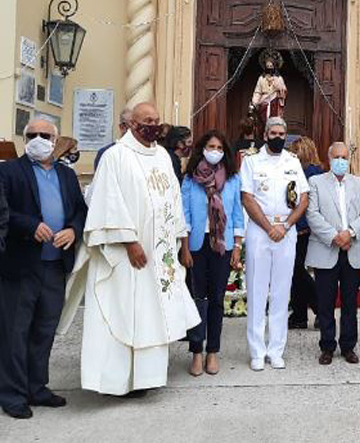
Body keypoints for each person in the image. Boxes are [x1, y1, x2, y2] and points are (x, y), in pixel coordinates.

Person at [58, 103, 199, 397]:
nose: (154, 126)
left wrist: (179, 240)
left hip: (159, 256)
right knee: (127, 312)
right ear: (132, 125)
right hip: (128, 256)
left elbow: (173, 199)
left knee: (152, 315)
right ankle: (117, 381)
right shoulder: (115, 157)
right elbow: (109, 203)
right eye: (147, 121)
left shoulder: (161, 155)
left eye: (157, 121)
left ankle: (147, 379)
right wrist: (130, 243)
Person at [0, 120, 87, 419]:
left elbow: (80, 210)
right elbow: (4, 212)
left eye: (45, 135)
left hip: (54, 265)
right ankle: (12, 394)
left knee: (44, 330)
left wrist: (74, 230)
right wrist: (30, 225)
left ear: (56, 140)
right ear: (24, 140)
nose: (39, 139)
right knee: (15, 331)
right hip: (21, 265)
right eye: (32, 135)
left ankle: (37, 387)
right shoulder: (8, 171)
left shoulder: (66, 174)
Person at [240, 116, 309, 370]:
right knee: (257, 291)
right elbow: (247, 197)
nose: (278, 137)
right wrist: (269, 228)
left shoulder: (293, 161)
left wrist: (287, 225)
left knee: (281, 292)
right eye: (274, 133)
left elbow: (303, 198)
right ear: (266, 134)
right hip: (261, 230)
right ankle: (257, 351)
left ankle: (276, 349)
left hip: (286, 229)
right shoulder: (251, 161)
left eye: (282, 133)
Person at [180, 131, 244, 377]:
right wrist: (185, 248)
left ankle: (213, 351)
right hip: (197, 244)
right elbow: (184, 214)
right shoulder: (190, 179)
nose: (214, 150)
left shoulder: (233, 179)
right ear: (202, 149)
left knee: (217, 299)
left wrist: (237, 246)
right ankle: (197, 350)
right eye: (210, 146)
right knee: (198, 298)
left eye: (219, 147)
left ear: (224, 152)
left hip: (222, 245)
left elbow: (238, 213)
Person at [306, 142, 360, 365]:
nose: (341, 161)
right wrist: (336, 237)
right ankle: (327, 346)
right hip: (327, 247)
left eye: (345, 157)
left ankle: (348, 346)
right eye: (337, 157)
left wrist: (350, 233)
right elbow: (312, 214)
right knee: (325, 302)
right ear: (329, 158)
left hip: (352, 249)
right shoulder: (315, 182)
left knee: (350, 303)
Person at [287, 136, 324, 329]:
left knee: (298, 271)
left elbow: (305, 202)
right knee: (295, 272)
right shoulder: (313, 172)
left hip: (303, 228)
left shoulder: (309, 174)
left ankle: (319, 308)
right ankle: (299, 314)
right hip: (299, 227)